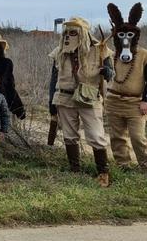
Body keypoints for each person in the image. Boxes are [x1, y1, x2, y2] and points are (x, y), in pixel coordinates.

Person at [49, 17, 113, 187]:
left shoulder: (100, 49)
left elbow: (110, 74)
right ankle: (75, 170)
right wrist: (51, 101)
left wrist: (107, 72)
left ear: (82, 33)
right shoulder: (59, 51)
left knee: (96, 135)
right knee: (69, 136)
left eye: (73, 32)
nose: (69, 36)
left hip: (89, 97)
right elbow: (53, 77)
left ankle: (103, 173)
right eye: (66, 32)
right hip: (64, 96)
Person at [105, 3, 147, 169]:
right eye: (121, 34)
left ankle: (145, 165)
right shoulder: (111, 54)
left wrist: (146, 100)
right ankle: (124, 165)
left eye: (129, 34)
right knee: (117, 137)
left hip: (135, 104)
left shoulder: (144, 55)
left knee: (138, 137)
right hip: (114, 101)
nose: (125, 37)